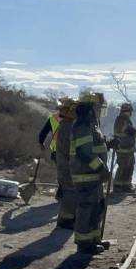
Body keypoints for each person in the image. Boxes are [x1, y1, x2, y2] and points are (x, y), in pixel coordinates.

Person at [70, 94, 110, 254]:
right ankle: (84, 243)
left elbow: (94, 146)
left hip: (94, 176)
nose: (99, 111)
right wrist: (101, 168)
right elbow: (84, 153)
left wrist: (109, 144)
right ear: (90, 108)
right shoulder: (82, 126)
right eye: (97, 108)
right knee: (87, 208)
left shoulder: (91, 125)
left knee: (97, 207)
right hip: (86, 175)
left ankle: (94, 238)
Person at [54, 97, 77, 229]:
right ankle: (65, 220)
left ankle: (69, 217)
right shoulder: (68, 126)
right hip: (67, 165)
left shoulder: (67, 125)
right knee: (70, 190)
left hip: (65, 163)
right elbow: (70, 148)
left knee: (70, 190)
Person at [112, 102, 136, 193]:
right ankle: (117, 187)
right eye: (130, 112)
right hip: (122, 149)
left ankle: (126, 186)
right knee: (122, 167)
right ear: (127, 111)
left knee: (129, 168)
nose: (131, 114)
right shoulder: (120, 120)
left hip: (128, 149)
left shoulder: (125, 120)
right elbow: (128, 129)